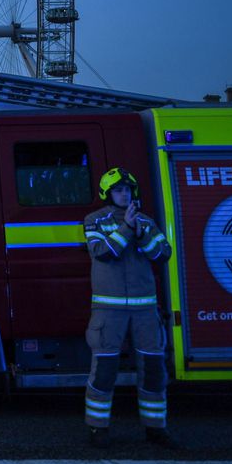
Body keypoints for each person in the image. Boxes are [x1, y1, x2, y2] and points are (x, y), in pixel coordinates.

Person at [82, 167, 175, 449]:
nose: (124, 194)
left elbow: (162, 254)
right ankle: (98, 430)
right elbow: (103, 253)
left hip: (145, 310)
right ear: (108, 194)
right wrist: (126, 228)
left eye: (127, 190)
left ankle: (155, 429)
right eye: (118, 190)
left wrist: (140, 230)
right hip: (109, 312)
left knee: (154, 370)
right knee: (105, 371)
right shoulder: (95, 220)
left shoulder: (146, 221)